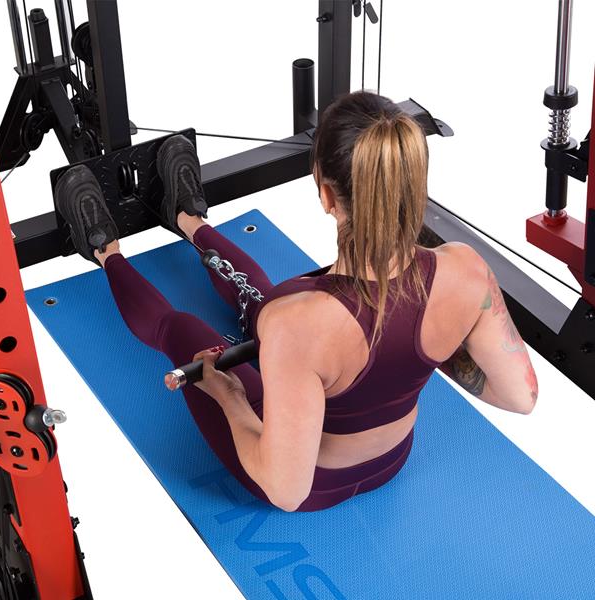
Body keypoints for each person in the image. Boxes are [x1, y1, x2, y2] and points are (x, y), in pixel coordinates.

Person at [54, 91, 538, 513]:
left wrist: (229, 396)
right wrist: (436, 336)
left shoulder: (297, 321)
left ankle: (105, 250)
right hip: (393, 459)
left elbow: (286, 491)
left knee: (180, 328)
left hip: (311, 487)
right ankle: (187, 220)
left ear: (327, 195)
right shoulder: (466, 270)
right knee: (272, 309)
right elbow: (522, 396)